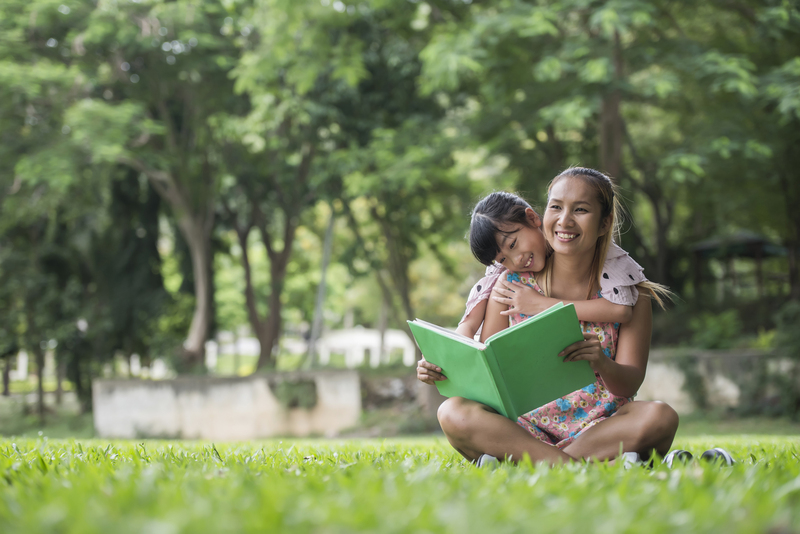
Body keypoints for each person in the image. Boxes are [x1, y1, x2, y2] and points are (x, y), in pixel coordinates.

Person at [419, 167, 678, 466]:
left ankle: (537, 464)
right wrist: (443, 367)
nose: (565, 220)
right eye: (556, 207)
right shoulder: (510, 284)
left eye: (580, 210)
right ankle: (577, 466)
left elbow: (628, 385)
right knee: (452, 412)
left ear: (605, 222)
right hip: (524, 429)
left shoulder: (629, 293)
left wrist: (601, 362)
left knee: (660, 416)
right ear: (542, 214)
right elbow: (488, 369)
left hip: (600, 428)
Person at [455, 191, 648, 340]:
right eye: (503, 259)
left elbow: (621, 310)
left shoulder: (597, 256)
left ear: (532, 218)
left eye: (513, 244)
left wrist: (541, 304)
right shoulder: (508, 278)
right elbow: (469, 323)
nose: (516, 260)